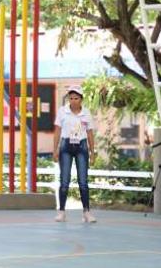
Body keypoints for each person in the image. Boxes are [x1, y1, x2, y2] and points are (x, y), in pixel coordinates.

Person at [53, 84, 97, 223]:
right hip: (66, 146)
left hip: (82, 146)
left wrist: (92, 151)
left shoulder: (86, 113)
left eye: (76, 98)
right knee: (64, 181)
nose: (73, 100)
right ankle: (61, 211)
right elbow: (57, 131)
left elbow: (90, 133)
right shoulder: (62, 111)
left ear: (81, 99)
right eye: (71, 98)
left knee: (83, 181)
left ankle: (86, 212)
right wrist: (55, 149)